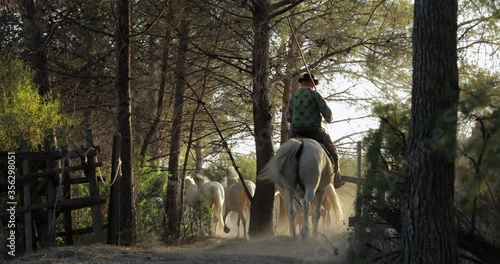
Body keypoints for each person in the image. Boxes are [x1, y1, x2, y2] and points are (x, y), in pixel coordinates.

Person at [287, 73, 344, 188]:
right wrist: (327, 119)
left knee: (284, 152)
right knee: (333, 152)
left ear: (302, 83)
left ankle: (281, 177)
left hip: (296, 132)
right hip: (314, 131)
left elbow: (288, 117)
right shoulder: (315, 95)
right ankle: (336, 179)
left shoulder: (294, 97)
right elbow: (328, 115)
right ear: (312, 84)